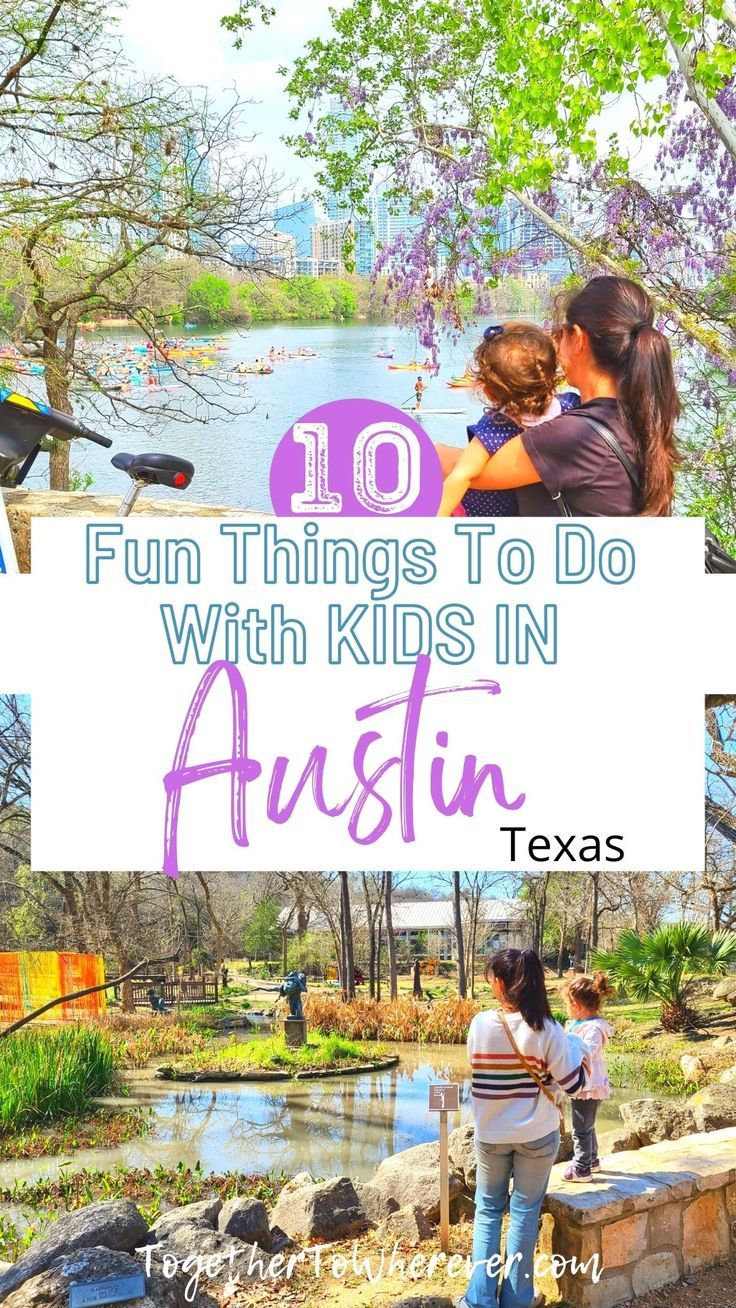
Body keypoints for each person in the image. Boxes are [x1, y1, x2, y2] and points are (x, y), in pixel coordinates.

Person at [437, 276, 681, 516]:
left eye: (560, 333)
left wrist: (423, 449)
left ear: (578, 339)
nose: (556, 343)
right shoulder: (629, 415)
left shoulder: (575, 437)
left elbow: (475, 474)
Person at [461, 949, 588, 1308]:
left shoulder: (480, 1024)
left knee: (487, 1210)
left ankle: (480, 1299)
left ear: (500, 985)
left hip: (490, 1134)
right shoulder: (548, 1029)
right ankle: (517, 1299)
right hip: (536, 1136)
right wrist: (576, 1048)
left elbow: (479, 1071)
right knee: (524, 1211)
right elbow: (574, 1085)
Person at [438, 323, 579, 517]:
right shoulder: (572, 406)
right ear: (553, 372)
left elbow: (461, 475)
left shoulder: (495, 427)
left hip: (493, 517)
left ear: (489, 392)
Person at [561, 971, 615, 1182]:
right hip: (584, 1084)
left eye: (567, 1003)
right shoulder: (579, 1024)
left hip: (588, 1085)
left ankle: (582, 1168)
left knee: (580, 1128)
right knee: (588, 1124)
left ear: (577, 1005)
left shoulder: (593, 1029)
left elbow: (585, 1053)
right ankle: (592, 1159)